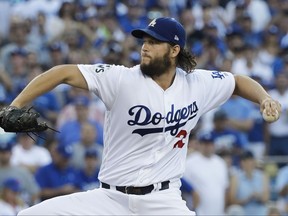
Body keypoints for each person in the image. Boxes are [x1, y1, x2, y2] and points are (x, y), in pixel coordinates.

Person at [7, 17, 280, 215]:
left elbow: (238, 81)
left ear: (175, 51)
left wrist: (264, 98)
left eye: (154, 42)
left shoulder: (198, 84)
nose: (145, 47)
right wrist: (16, 104)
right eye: (144, 41)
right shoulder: (121, 79)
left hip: (163, 201)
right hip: (109, 199)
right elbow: (63, 72)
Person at [183, 132, 229, 215]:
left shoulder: (220, 163)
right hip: (198, 212)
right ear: (199, 145)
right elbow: (183, 189)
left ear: (214, 145)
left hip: (218, 211)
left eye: (210, 144)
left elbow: (225, 189)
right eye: (205, 144)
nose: (207, 147)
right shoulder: (189, 162)